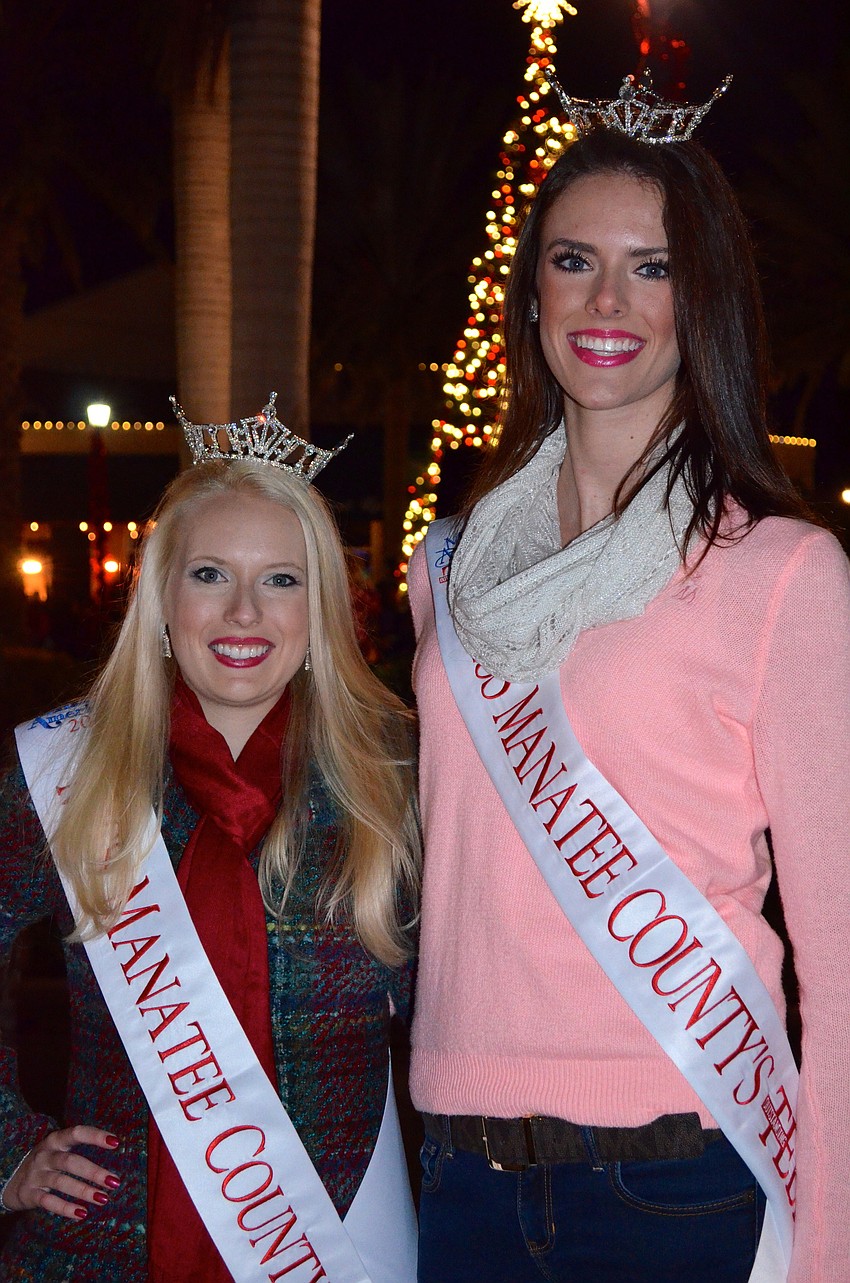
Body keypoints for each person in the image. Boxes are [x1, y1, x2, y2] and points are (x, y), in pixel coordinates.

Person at [408, 72, 850, 1283]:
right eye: (573, 260)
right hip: (456, 1166)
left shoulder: (783, 570)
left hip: (680, 1175)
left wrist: (830, 1248)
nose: (607, 301)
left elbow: (841, 946)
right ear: (532, 288)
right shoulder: (446, 565)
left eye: (651, 267)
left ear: (700, 296)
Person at [0, 400, 420, 1282]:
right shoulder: (62, 772)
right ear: (160, 598)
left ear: (320, 610)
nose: (242, 613)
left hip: (338, 1238)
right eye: (207, 575)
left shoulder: (398, 780)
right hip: (104, 1245)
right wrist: (10, 1147)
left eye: (280, 579)